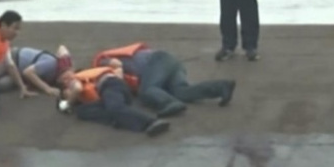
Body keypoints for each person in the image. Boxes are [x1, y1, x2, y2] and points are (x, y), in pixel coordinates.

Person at [92, 42, 236, 116]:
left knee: (146, 91)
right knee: (182, 91)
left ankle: (169, 103)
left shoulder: (102, 62)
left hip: (157, 60)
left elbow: (117, 65)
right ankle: (221, 87)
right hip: (169, 62)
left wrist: (116, 79)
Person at [56, 62, 170, 137]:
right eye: (64, 83)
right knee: (83, 112)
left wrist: (67, 104)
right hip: (115, 91)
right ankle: (120, 120)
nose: (67, 81)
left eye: (66, 77)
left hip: (110, 86)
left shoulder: (77, 79)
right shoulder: (83, 105)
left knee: (114, 108)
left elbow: (77, 88)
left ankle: (151, 121)